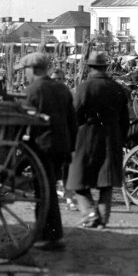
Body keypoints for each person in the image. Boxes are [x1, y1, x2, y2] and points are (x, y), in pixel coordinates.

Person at [15, 52, 77, 251]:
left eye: (25, 71)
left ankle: (50, 237)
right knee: (47, 188)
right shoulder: (62, 88)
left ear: (33, 70)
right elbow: (72, 122)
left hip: (42, 146)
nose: (25, 75)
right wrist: (71, 148)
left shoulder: (33, 90)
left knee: (45, 190)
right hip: (61, 146)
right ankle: (49, 234)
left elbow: (21, 122)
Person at [66, 51, 130, 229]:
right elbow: (125, 120)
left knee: (77, 180)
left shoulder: (84, 87)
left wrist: (73, 136)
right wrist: (120, 138)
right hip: (112, 136)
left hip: (88, 136)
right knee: (106, 181)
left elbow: (75, 115)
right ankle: (102, 219)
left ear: (89, 67)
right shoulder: (118, 88)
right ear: (106, 67)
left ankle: (90, 213)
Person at [51, 67, 78, 212]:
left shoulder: (67, 94)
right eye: (55, 79)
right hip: (49, 138)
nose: (58, 82)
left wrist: (73, 140)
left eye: (60, 79)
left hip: (64, 137)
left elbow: (72, 118)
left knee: (66, 170)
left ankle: (69, 199)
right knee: (52, 172)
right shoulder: (46, 94)